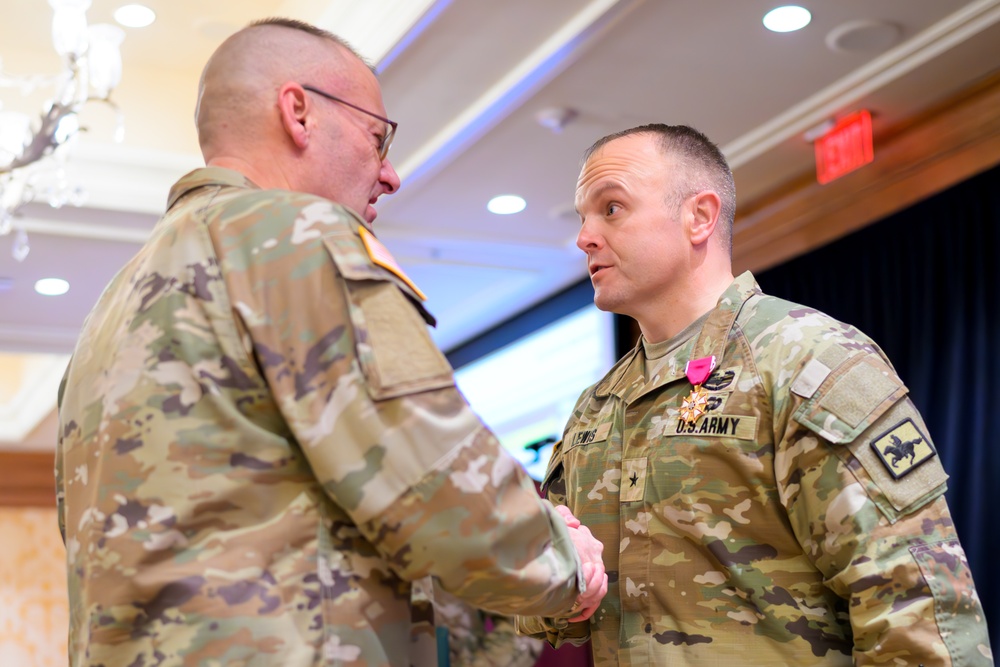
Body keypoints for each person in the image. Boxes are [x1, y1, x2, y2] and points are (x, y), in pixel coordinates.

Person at [55, 18, 606, 667]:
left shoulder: (115, 304)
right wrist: (566, 564)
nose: (391, 173)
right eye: (378, 137)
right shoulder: (294, 232)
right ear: (299, 113)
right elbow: (434, 480)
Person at [517, 124, 993, 665]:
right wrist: (556, 579)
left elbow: (916, 603)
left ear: (699, 216)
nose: (585, 237)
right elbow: (541, 614)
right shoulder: (595, 407)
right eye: (582, 217)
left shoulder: (806, 357)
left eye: (611, 208)